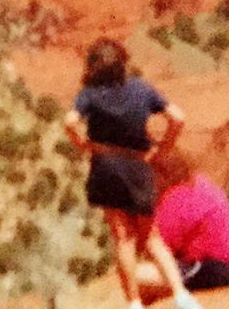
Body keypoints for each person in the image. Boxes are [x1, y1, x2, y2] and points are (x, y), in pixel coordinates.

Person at [64, 38, 204, 309]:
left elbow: (70, 122)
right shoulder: (140, 89)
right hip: (138, 166)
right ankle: (182, 296)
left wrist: (84, 144)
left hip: (106, 169)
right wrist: (163, 148)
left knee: (123, 238)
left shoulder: (90, 94)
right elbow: (178, 118)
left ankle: (134, 304)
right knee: (151, 237)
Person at [135, 151, 229, 297]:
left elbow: (159, 249)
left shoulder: (173, 201)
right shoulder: (202, 183)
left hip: (213, 267)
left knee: (139, 274)